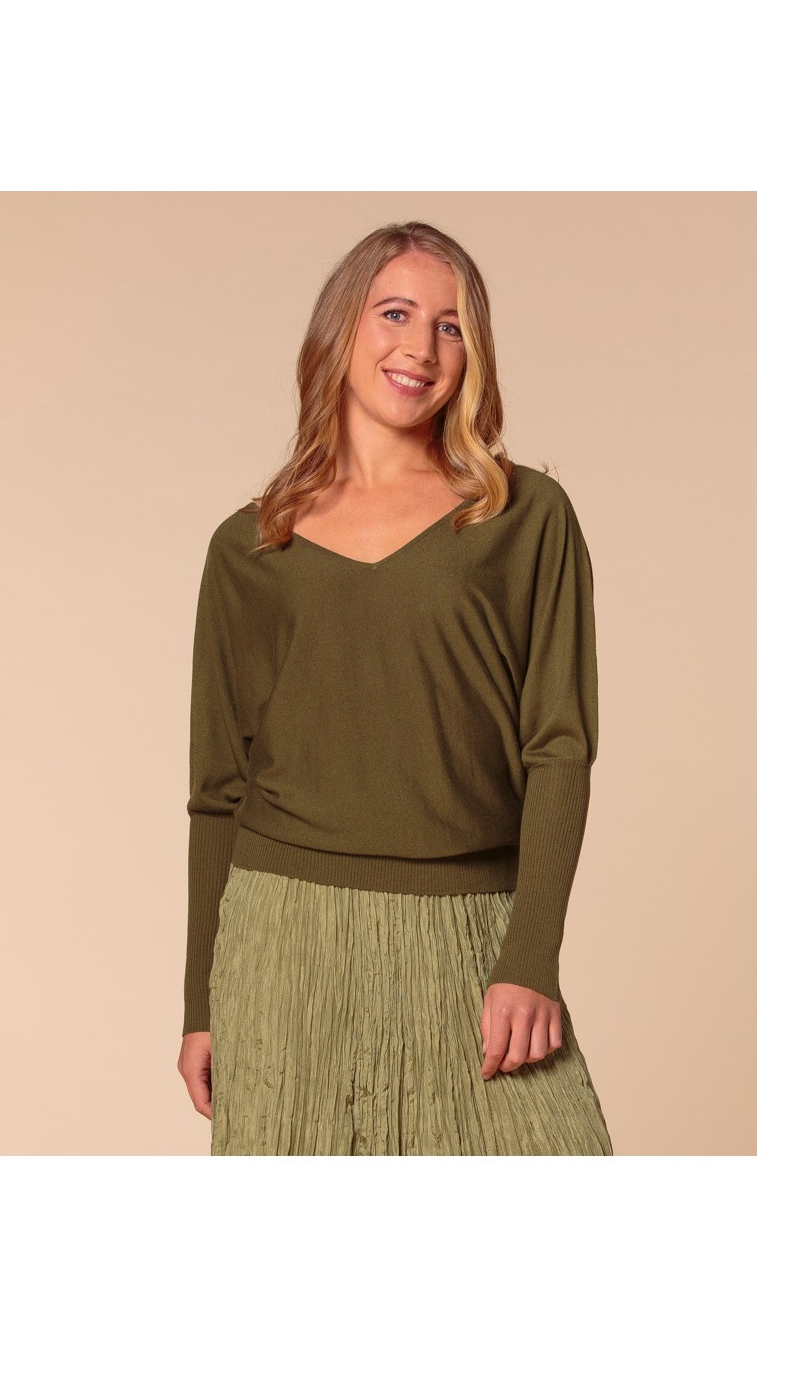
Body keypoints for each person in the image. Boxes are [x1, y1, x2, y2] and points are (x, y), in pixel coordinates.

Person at [177, 220, 613, 1155]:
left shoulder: (522, 515)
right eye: (396, 313)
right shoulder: (250, 547)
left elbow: (560, 746)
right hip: (282, 941)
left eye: (452, 326)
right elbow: (218, 792)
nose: (421, 346)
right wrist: (200, 1005)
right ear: (342, 327)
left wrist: (532, 955)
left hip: (476, 932)